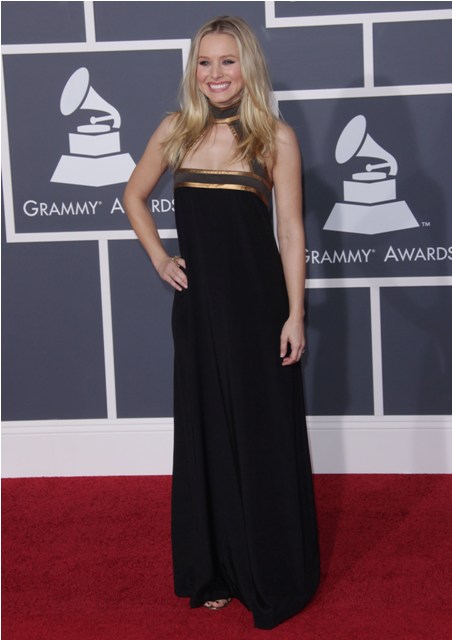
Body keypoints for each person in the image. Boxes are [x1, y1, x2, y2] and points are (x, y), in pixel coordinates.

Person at [122, 15, 320, 630]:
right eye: (205, 62)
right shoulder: (175, 130)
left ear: (247, 66)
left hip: (260, 311)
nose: (215, 74)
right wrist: (161, 258)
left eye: (227, 61)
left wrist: (295, 314)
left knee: (261, 436)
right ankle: (212, 571)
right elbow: (133, 196)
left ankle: (269, 571)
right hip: (200, 311)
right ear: (194, 70)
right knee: (205, 432)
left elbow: (291, 232)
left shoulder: (275, 137)